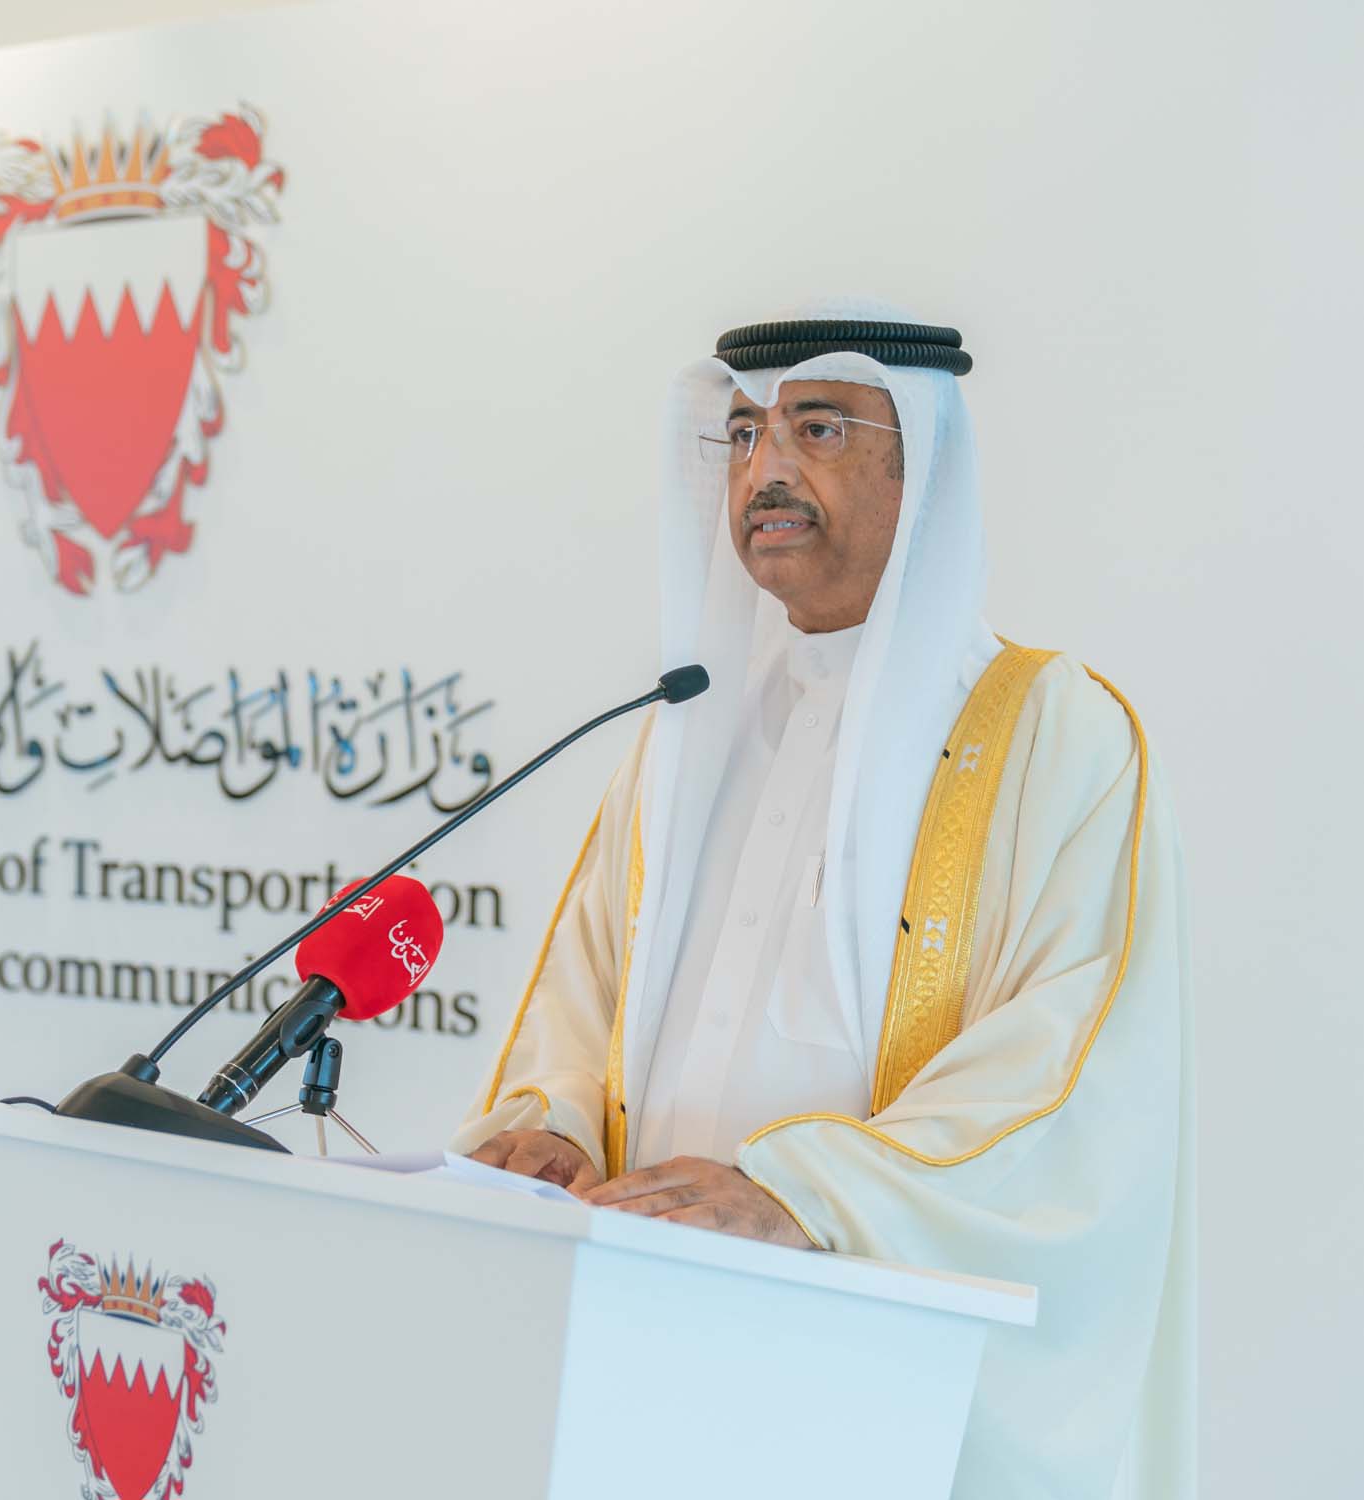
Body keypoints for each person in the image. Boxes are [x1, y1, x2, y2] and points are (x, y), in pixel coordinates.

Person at [452, 298, 1194, 1499]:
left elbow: (1065, 1075)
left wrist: (801, 1194)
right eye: (745, 433)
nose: (768, 471)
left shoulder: (1053, 734)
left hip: (872, 1374)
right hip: (647, 1341)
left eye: (820, 428)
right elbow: (584, 999)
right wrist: (558, 1129)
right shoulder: (686, 737)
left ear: (921, 465)